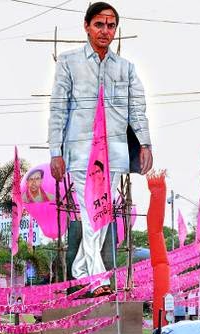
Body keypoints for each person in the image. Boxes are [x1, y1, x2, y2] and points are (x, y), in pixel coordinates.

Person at [48, 2, 153, 285]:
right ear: (86, 27)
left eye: (110, 25)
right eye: (99, 24)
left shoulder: (126, 69)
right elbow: (58, 109)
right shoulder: (69, 62)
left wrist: (145, 144)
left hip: (115, 152)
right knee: (90, 209)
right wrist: (55, 151)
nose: (105, 31)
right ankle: (97, 280)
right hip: (81, 152)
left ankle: (80, 270)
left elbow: (137, 110)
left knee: (104, 214)